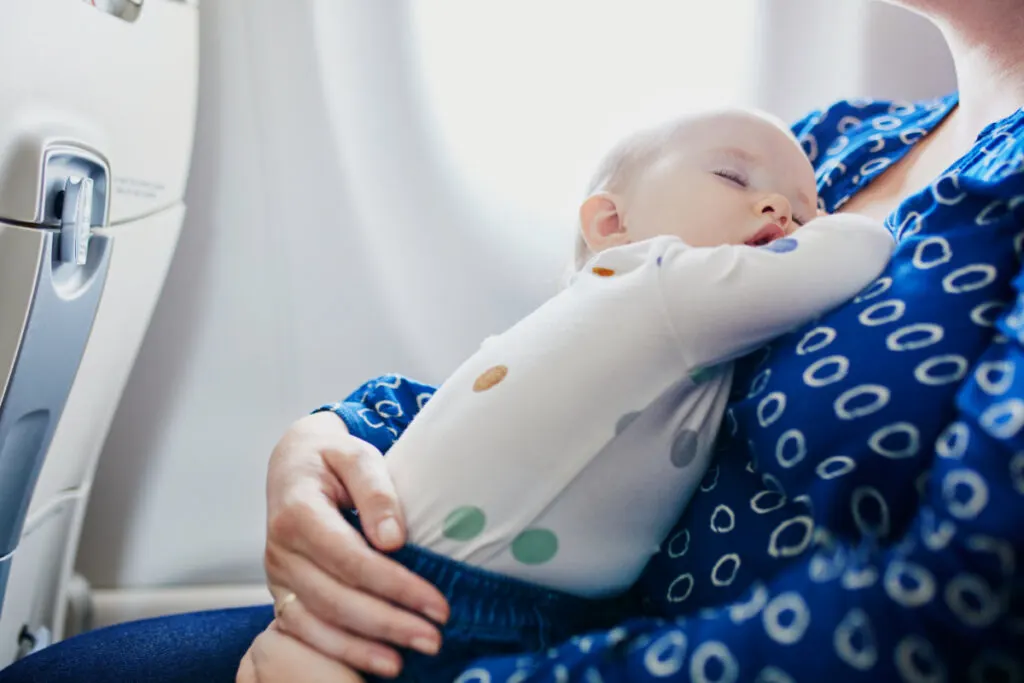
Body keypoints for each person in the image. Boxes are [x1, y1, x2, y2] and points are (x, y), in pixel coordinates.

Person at [0, 0, 1020, 681]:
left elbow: (954, 609)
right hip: (465, 590)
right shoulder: (833, 148)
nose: (774, 212)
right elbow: (570, 355)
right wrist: (337, 438)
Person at [285, 108, 892, 682]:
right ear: (610, 225)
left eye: (808, 213)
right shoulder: (662, 284)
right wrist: (841, 226)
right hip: (472, 604)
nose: (782, 208)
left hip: (416, 564)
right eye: (733, 177)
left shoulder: (599, 306)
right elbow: (852, 251)